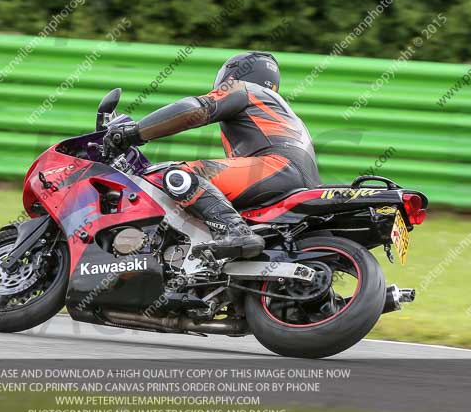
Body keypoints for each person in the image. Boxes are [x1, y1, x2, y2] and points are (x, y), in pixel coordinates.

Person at [103, 52, 321, 259]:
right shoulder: (281, 110)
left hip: (275, 168)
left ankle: (235, 232)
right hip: (301, 181)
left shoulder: (242, 88)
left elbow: (194, 110)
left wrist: (133, 133)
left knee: (177, 174)